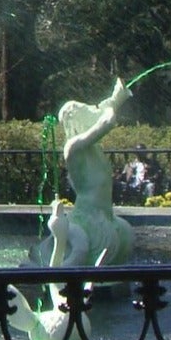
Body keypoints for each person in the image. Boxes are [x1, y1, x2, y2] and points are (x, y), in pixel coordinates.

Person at [55, 80, 135, 266]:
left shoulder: (93, 148)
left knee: (126, 233)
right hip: (88, 219)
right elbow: (106, 123)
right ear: (74, 118)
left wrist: (115, 101)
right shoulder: (73, 147)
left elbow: (104, 121)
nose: (89, 110)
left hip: (105, 215)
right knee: (88, 249)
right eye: (83, 110)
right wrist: (114, 101)